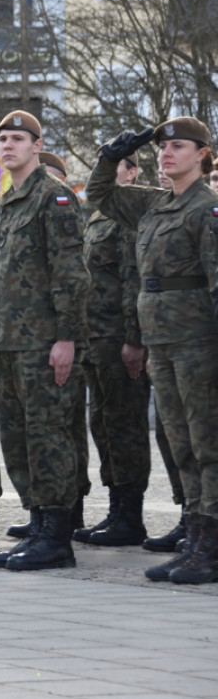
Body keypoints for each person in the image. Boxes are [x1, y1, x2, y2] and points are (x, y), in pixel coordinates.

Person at [87, 118, 218, 584]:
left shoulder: (208, 209)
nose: (166, 155)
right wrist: (109, 154)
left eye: (178, 147)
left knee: (208, 444)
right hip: (160, 340)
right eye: (162, 148)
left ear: (203, 154)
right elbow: (99, 195)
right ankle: (197, 537)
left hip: (198, 341)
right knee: (182, 444)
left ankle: (211, 544)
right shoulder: (153, 204)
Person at [0, 111, 89, 572]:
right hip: (6, 343)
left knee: (49, 436)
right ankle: (37, 522)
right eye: (2, 139)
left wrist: (66, 337)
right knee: (18, 436)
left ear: (36, 145)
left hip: (43, 342)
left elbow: (70, 273)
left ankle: (57, 536)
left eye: (18, 139)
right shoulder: (6, 200)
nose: (8, 146)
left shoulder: (54, 197)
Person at [76, 152, 151, 547]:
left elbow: (132, 278)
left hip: (119, 338)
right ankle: (116, 508)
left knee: (125, 425)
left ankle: (131, 514)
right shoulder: (98, 218)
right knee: (102, 425)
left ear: (133, 173)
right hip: (95, 338)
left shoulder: (128, 217)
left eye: (116, 167)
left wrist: (133, 339)